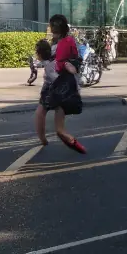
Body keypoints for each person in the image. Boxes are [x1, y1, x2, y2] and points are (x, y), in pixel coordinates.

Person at [36, 14, 86, 153]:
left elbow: (73, 60)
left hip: (58, 85)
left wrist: (70, 66)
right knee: (52, 113)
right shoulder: (63, 41)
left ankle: (47, 139)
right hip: (60, 85)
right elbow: (74, 60)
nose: (52, 30)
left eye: (53, 28)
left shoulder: (63, 43)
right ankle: (48, 138)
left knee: (44, 111)